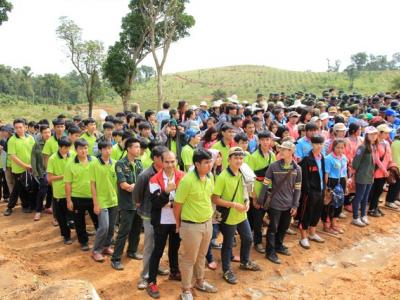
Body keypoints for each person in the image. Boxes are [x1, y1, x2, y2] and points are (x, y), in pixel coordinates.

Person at [212, 147, 261, 285]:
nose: (239, 161)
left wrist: (246, 201)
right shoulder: (222, 177)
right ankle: (226, 270)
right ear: (229, 160)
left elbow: (245, 190)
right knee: (228, 244)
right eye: (236, 158)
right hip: (228, 216)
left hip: (241, 214)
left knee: (248, 238)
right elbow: (215, 199)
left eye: (241, 158)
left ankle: (245, 261)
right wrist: (233, 204)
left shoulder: (243, 172)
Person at [174, 149, 218, 300]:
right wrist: (179, 225)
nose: (209, 165)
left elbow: (209, 198)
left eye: (210, 162)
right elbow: (177, 204)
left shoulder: (210, 177)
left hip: (207, 223)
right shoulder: (187, 181)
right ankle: (185, 290)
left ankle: (200, 281)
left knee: (201, 256)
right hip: (191, 226)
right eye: (206, 163)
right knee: (188, 259)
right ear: (197, 164)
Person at [146, 151, 184, 298]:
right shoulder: (154, 179)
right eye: (167, 162)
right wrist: (166, 193)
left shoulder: (182, 176)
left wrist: (170, 203)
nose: (170, 165)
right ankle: (151, 281)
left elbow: (185, 198)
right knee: (158, 250)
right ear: (161, 162)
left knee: (175, 248)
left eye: (173, 161)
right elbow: (155, 204)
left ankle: (174, 271)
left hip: (176, 220)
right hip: (161, 221)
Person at [258, 140, 302, 264]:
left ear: (291, 152)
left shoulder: (297, 169)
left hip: (288, 204)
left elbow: (298, 188)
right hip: (275, 204)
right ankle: (270, 252)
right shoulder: (273, 166)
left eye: (284, 149)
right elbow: (265, 185)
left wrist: (295, 204)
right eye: (280, 149)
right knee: (273, 228)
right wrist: (261, 201)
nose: (280, 151)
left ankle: (279, 245)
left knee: (283, 227)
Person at [133, 146, 170, 290]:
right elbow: (136, 194)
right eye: (163, 159)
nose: (167, 162)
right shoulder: (145, 175)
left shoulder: (168, 173)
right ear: (155, 158)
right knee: (149, 245)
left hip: (164, 215)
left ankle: (156, 266)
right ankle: (145, 275)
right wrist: (140, 205)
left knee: (160, 243)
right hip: (149, 215)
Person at [111, 137, 144, 270]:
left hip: (138, 203)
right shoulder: (120, 163)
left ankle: (132, 251)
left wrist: (135, 187)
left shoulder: (139, 163)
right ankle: (116, 258)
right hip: (127, 203)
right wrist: (135, 186)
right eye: (136, 147)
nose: (138, 149)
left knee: (136, 229)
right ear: (128, 149)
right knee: (124, 230)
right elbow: (123, 184)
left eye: (139, 147)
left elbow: (142, 182)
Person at [65, 138, 98, 251]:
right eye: (81, 148)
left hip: (93, 197)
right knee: (79, 222)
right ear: (76, 150)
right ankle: (83, 242)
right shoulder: (70, 164)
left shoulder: (94, 160)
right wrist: (69, 200)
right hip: (77, 198)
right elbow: (67, 184)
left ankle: (101, 241)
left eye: (85, 148)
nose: (83, 151)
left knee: (98, 220)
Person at [89, 140, 118, 262]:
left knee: (111, 227)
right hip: (101, 201)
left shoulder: (115, 163)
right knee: (104, 227)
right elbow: (92, 185)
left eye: (110, 148)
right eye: (105, 148)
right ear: (100, 150)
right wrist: (96, 203)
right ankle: (96, 250)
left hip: (114, 200)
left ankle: (106, 246)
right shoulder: (94, 164)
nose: (108, 151)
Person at [247, 131, 276, 253]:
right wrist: (253, 197)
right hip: (258, 193)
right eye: (263, 140)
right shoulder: (253, 157)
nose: (265, 142)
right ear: (259, 141)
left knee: (272, 217)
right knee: (258, 220)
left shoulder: (272, 155)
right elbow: (249, 179)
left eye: (267, 139)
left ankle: (271, 240)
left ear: (270, 141)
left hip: (270, 192)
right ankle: (257, 242)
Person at [298, 135, 326, 249]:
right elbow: (304, 178)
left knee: (317, 212)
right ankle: (303, 237)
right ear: (311, 144)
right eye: (316, 144)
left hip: (320, 190)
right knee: (306, 213)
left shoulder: (322, 157)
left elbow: (323, 174)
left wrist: (324, 188)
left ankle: (312, 233)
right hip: (310, 192)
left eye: (321, 144)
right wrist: (307, 191)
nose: (319, 146)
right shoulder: (307, 160)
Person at [4, 119, 36, 216]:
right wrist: (26, 166)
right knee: (19, 188)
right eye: (16, 128)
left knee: (28, 187)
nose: (19, 129)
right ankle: (12, 207)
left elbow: (34, 152)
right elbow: (13, 156)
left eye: (20, 127)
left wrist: (32, 165)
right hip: (18, 170)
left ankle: (27, 205)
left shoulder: (30, 138)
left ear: (25, 127)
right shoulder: (12, 140)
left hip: (30, 168)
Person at [47, 137, 73, 244]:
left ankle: (79, 231)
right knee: (61, 217)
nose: (67, 150)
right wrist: (64, 176)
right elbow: (49, 178)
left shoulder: (73, 155)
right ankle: (66, 236)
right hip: (59, 193)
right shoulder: (52, 159)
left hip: (72, 191)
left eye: (68, 147)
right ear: (59, 147)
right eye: (65, 148)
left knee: (73, 215)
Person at [351, 126, 377, 227]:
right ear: (366, 135)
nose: (374, 136)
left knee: (366, 197)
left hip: (369, 176)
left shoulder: (373, 146)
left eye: (375, 134)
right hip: (362, 176)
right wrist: (355, 174)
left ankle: (363, 215)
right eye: (371, 134)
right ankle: (355, 217)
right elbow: (355, 163)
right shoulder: (362, 147)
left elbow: (373, 162)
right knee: (359, 196)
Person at [322, 139, 347, 234]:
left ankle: (334, 224)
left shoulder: (344, 158)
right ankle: (326, 225)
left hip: (341, 182)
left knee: (339, 203)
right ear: (333, 147)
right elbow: (326, 174)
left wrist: (346, 186)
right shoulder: (328, 158)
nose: (340, 150)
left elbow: (345, 172)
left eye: (342, 148)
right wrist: (326, 187)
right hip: (331, 182)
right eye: (338, 147)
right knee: (329, 204)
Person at [368, 124, 393, 216]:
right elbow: (376, 159)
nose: (388, 135)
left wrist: (390, 167)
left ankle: (375, 207)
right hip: (378, 172)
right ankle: (372, 209)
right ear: (380, 133)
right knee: (376, 190)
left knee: (380, 191)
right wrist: (384, 170)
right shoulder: (375, 144)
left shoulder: (386, 143)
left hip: (385, 171)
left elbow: (389, 156)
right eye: (386, 133)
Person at [31, 124, 52, 221]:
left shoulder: (54, 143)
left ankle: (48, 207)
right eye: (45, 133)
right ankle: (38, 210)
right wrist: (35, 172)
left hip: (53, 172)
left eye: (49, 132)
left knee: (51, 191)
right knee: (42, 191)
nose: (47, 134)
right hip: (42, 172)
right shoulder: (37, 144)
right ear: (41, 134)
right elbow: (33, 158)